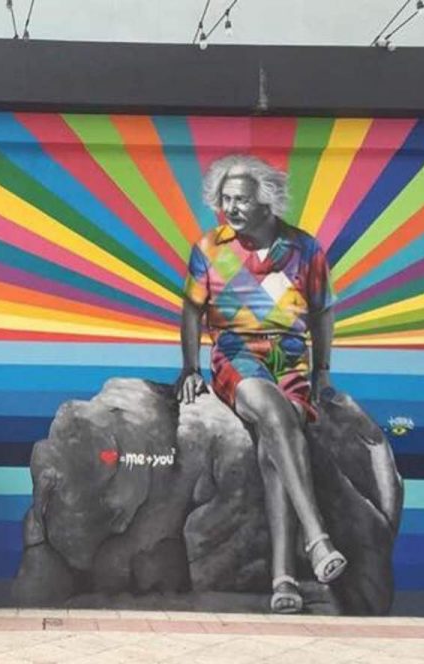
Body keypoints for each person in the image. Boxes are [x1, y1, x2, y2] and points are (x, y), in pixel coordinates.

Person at [176, 154, 346, 614]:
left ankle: (283, 579)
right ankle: (316, 536)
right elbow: (192, 309)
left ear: (266, 202)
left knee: (276, 444)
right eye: (224, 199)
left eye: (240, 200)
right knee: (271, 413)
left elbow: (322, 310)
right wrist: (191, 367)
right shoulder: (209, 248)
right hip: (235, 353)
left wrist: (323, 369)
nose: (229, 207)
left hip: (291, 357)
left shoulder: (305, 249)